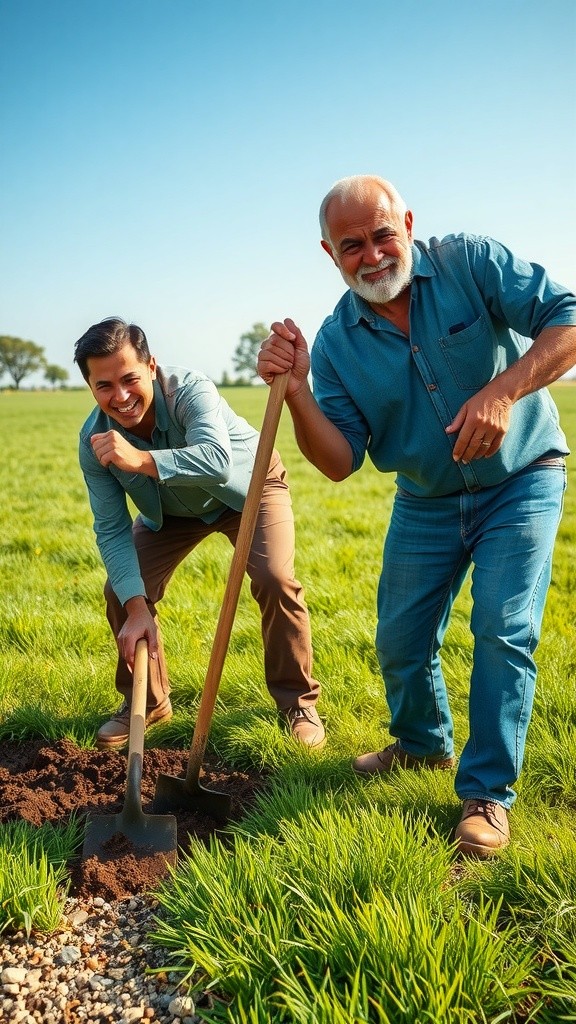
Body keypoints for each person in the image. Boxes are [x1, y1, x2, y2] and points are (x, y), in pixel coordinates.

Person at [258, 174, 576, 857]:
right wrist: (296, 392)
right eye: (351, 246)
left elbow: (568, 319)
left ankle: (487, 794)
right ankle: (422, 745)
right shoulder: (337, 342)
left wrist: (502, 392)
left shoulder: (468, 261)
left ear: (407, 221)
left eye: (381, 235)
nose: (371, 255)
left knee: (501, 626)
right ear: (329, 253)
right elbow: (341, 460)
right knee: (400, 639)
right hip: (427, 500)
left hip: (520, 479)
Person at [74, 317, 324, 752]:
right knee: (122, 591)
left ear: (152, 366)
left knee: (273, 578)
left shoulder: (192, 390)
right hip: (170, 513)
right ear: (91, 388)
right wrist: (137, 608)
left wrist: (141, 460)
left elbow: (216, 462)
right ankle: (149, 703)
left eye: (130, 378)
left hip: (249, 489)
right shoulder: (94, 441)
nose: (121, 396)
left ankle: (297, 703)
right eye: (105, 386)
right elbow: (111, 530)